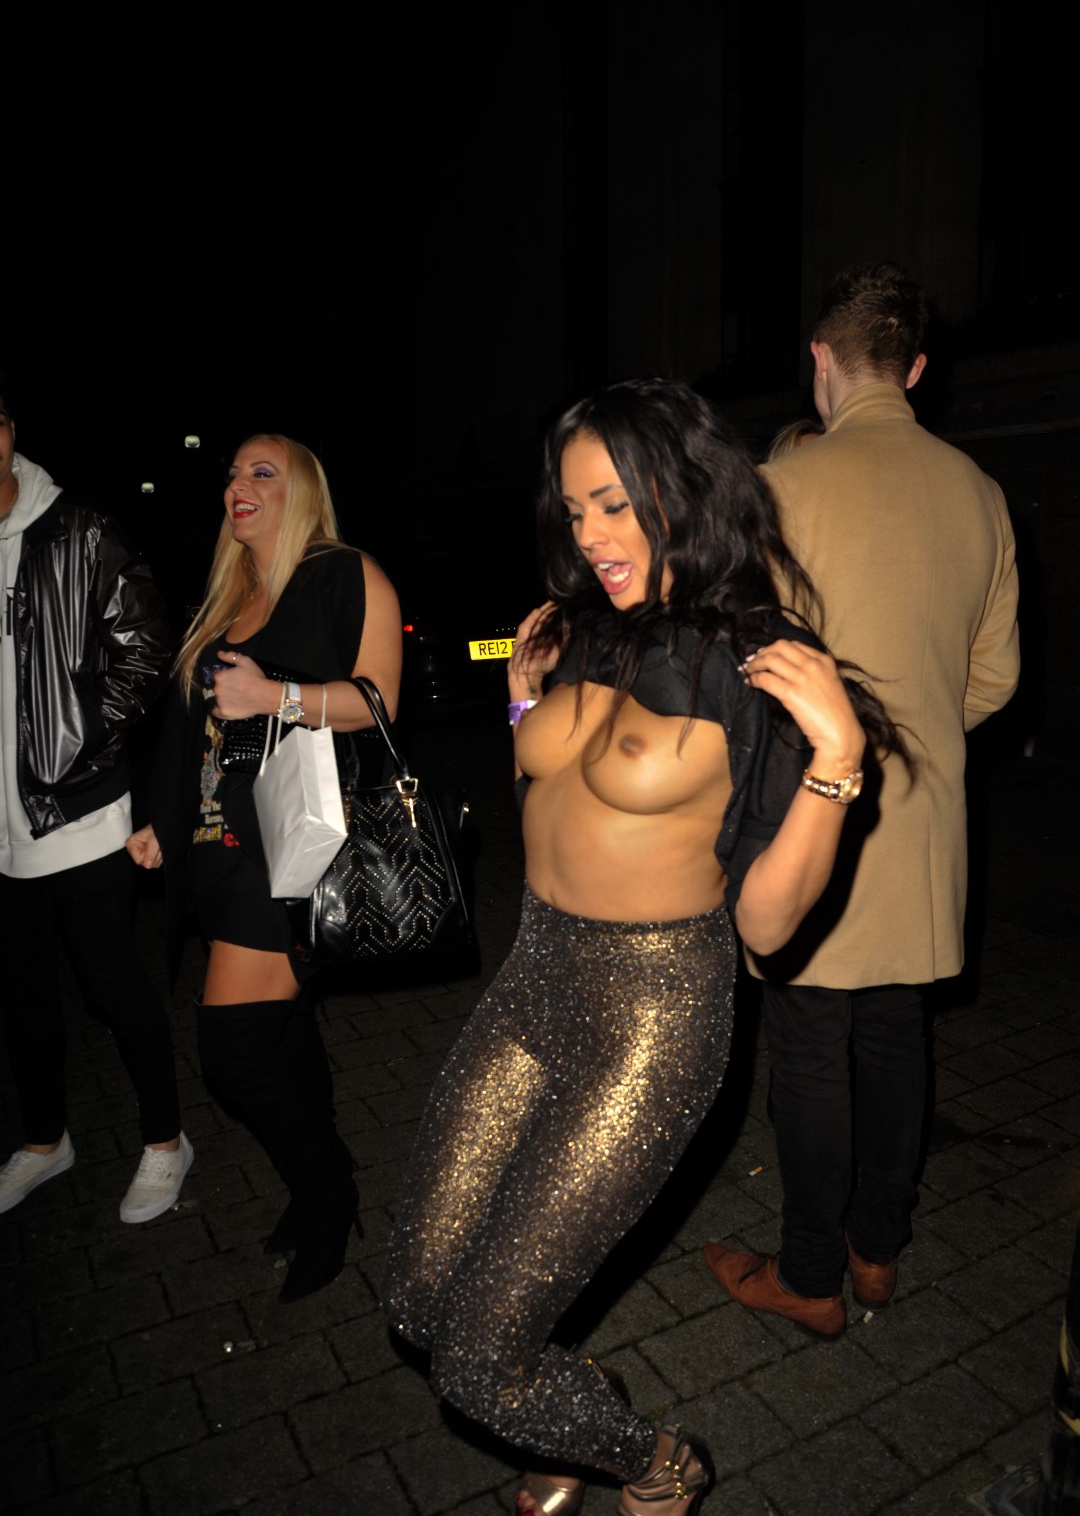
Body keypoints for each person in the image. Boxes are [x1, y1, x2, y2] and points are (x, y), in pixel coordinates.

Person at [383, 379, 899, 1514]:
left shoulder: (756, 659)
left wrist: (836, 761)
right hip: (533, 978)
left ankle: (657, 1462)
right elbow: (550, 791)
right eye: (575, 511)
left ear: (685, 489)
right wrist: (520, 705)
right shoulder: (582, 627)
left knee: (477, 1360)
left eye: (614, 505)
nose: (591, 536)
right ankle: (562, 1402)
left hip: (651, 1019)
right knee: (417, 1301)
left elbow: (766, 923)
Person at [704, 263, 1021, 1338]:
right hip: (924, 820)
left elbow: (736, 667)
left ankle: (809, 1276)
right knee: (894, 1037)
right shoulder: (980, 492)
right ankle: (877, 1251)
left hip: (813, 812)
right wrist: (913, 729)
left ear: (820, 360)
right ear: (916, 369)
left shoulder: (781, 487)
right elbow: (995, 678)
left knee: (808, 1047)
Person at [127, 434, 402, 1301]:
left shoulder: (345, 574)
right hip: (215, 850)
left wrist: (275, 695)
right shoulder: (227, 596)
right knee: (284, 1033)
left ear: (302, 489)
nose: (237, 485)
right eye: (232, 474)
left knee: (236, 1051)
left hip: (287, 853)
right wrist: (163, 818)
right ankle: (320, 1184)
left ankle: (329, 1192)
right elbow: (194, 731)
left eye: (261, 472)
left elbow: (380, 703)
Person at [0, 377, 193, 1223]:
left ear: (8, 431)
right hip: (1, 826)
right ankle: (47, 1141)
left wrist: (75, 738)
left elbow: (148, 645)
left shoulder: (78, 529)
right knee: (21, 995)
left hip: (78, 811)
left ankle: (165, 1139)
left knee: (111, 984)